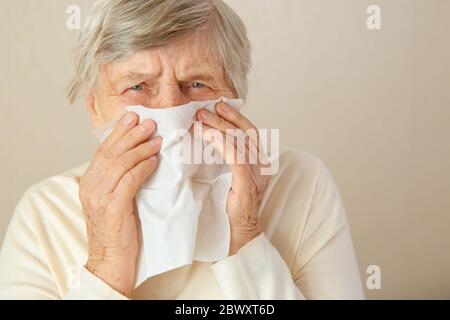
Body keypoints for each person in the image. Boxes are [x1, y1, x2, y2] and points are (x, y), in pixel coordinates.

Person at [0, 0, 364, 299]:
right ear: (95, 107)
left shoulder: (300, 183)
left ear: (236, 95)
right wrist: (107, 258)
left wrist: (246, 233)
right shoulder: (45, 214)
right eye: (138, 87)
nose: (170, 113)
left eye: (197, 83)